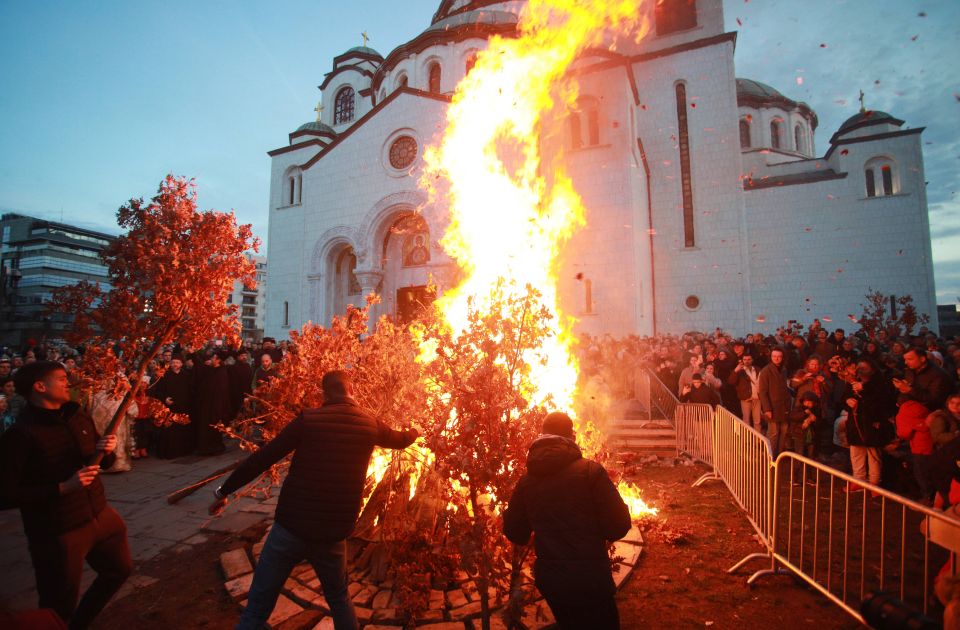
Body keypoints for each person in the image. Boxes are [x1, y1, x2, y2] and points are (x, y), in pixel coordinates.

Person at [209, 371, 418, 630]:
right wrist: (415, 431)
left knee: (258, 604)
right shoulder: (369, 423)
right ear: (351, 389)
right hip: (331, 533)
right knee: (339, 598)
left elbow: (263, 458)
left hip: (290, 527)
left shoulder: (309, 420)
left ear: (324, 393)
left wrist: (223, 491)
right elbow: (400, 440)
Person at [0, 361, 132, 628]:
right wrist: (60, 488)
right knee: (59, 602)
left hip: (99, 513)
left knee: (119, 570)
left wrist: (106, 449)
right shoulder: (21, 434)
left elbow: (100, 462)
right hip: (59, 529)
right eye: (61, 379)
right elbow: (5, 493)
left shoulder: (77, 415)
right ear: (40, 387)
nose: (67, 383)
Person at [503, 411, 631, 630]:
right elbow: (618, 525)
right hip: (591, 578)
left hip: (553, 582)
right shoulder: (590, 472)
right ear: (572, 437)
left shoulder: (526, 482)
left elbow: (515, 533)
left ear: (541, 436)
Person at [759, 348, 792, 457]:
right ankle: (770, 456)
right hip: (773, 407)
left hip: (784, 406)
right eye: (774, 356)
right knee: (773, 433)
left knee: (783, 432)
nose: (777, 359)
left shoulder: (784, 369)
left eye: (779, 356)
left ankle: (779, 456)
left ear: (782, 358)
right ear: (771, 357)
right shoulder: (766, 371)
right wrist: (767, 409)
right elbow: (763, 392)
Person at [728, 354, 762, 431]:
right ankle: (747, 440)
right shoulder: (740, 371)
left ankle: (758, 441)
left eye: (749, 359)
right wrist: (735, 371)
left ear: (752, 360)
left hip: (757, 398)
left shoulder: (757, 369)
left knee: (757, 421)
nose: (747, 361)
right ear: (742, 361)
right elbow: (730, 382)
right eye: (745, 359)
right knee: (746, 421)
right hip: (746, 399)